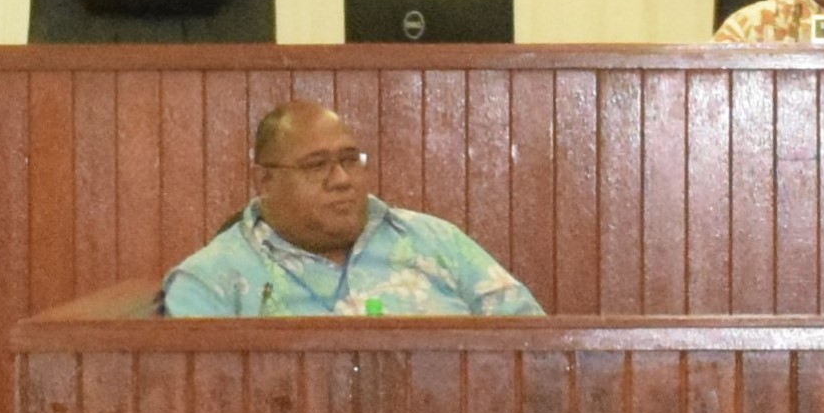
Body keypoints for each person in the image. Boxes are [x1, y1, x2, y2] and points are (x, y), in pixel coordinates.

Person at [162, 101, 543, 317]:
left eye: (350, 160)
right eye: (316, 165)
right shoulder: (210, 280)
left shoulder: (435, 241)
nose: (342, 179)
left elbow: (533, 349)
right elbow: (193, 403)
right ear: (265, 182)